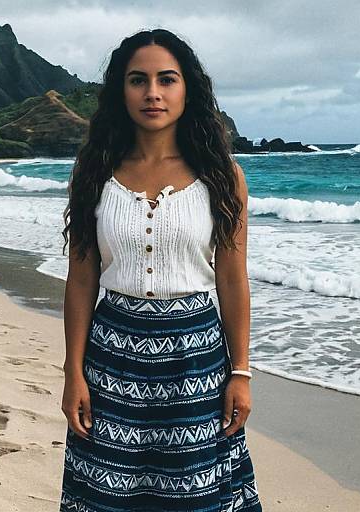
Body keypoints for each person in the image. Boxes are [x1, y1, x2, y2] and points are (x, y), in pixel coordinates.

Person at [59, 27, 262, 511]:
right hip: (111, 358)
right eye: (138, 80)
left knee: (192, 495)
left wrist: (241, 372)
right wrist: (73, 372)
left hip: (195, 359)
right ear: (120, 91)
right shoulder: (94, 172)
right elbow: (82, 279)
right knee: (108, 493)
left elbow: (232, 279)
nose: (153, 92)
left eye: (166, 79)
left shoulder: (221, 175)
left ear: (187, 89)